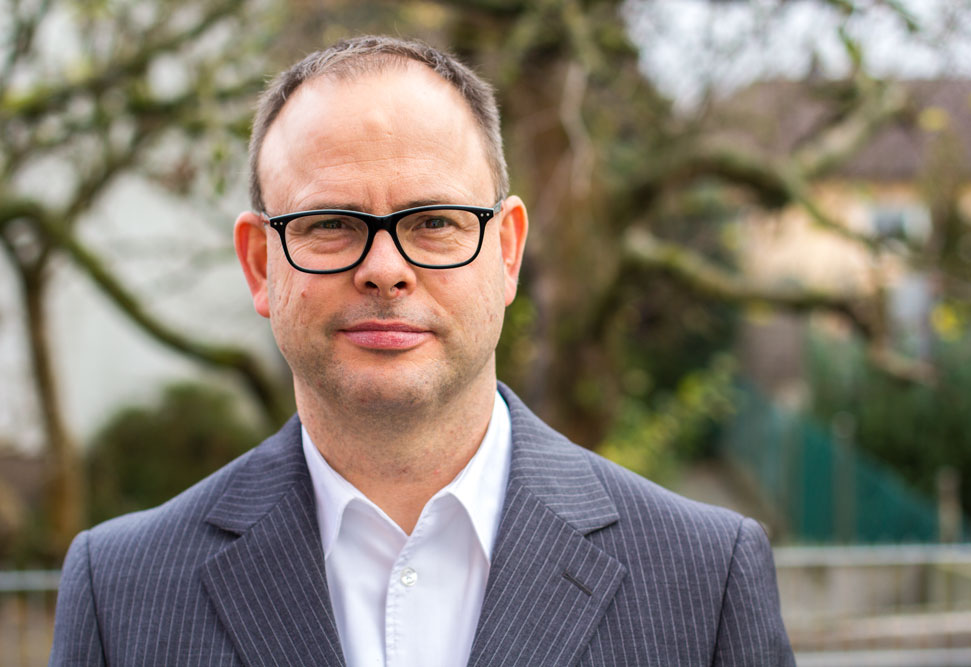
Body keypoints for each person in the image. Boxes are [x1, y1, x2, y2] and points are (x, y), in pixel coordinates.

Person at [50, 36, 795, 666]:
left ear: (507, 252)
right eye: (331, 223)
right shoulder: (121, 593)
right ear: (258, 265)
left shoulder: (705, 581)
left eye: (434, 221)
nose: (385, 268)